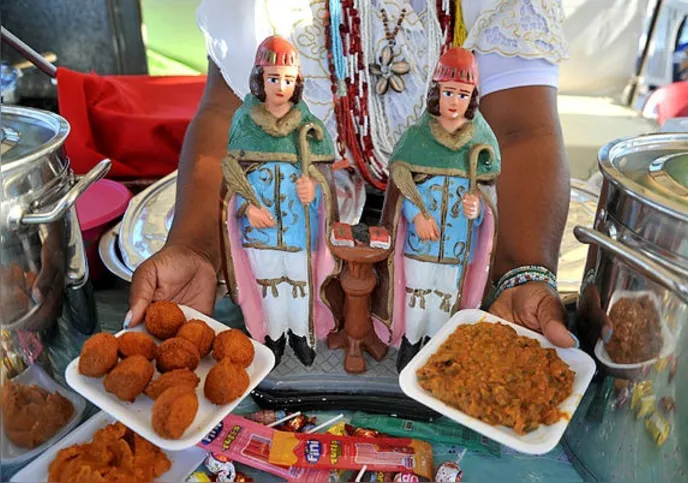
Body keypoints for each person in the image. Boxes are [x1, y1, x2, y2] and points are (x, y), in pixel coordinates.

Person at [126, 0, 578, 351]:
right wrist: (194, 244)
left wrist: (522, 272)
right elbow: (231, 113)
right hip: (295, 221)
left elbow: (521, 131)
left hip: (452, 230)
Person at [372, 47, 501, 370]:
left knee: (445, 297)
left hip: (456, 245)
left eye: (462, 93)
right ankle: (411, 344)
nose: (454, 101)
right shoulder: (417, 137)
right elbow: (401, 185)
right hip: (420, 242)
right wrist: (415, 214)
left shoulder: (482, 141)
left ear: (472, 96)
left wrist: (479, 210)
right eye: (448, 92)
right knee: (417, 295)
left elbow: (488, 193)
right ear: (437, 93)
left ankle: (439, 347)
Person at [221, 36, 339, 366]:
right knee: (270, 286)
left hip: (299, 230)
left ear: (297, 83)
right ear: (260, 79)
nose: (280, 86)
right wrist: (248, 206)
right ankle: (273, 336)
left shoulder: (310, 127)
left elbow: (326, 178)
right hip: (260, 232)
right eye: (274, 78)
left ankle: (300, 334)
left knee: (300, 284)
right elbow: (230, 174)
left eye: (288, 80)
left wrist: (315, 191)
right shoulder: (244, 122)